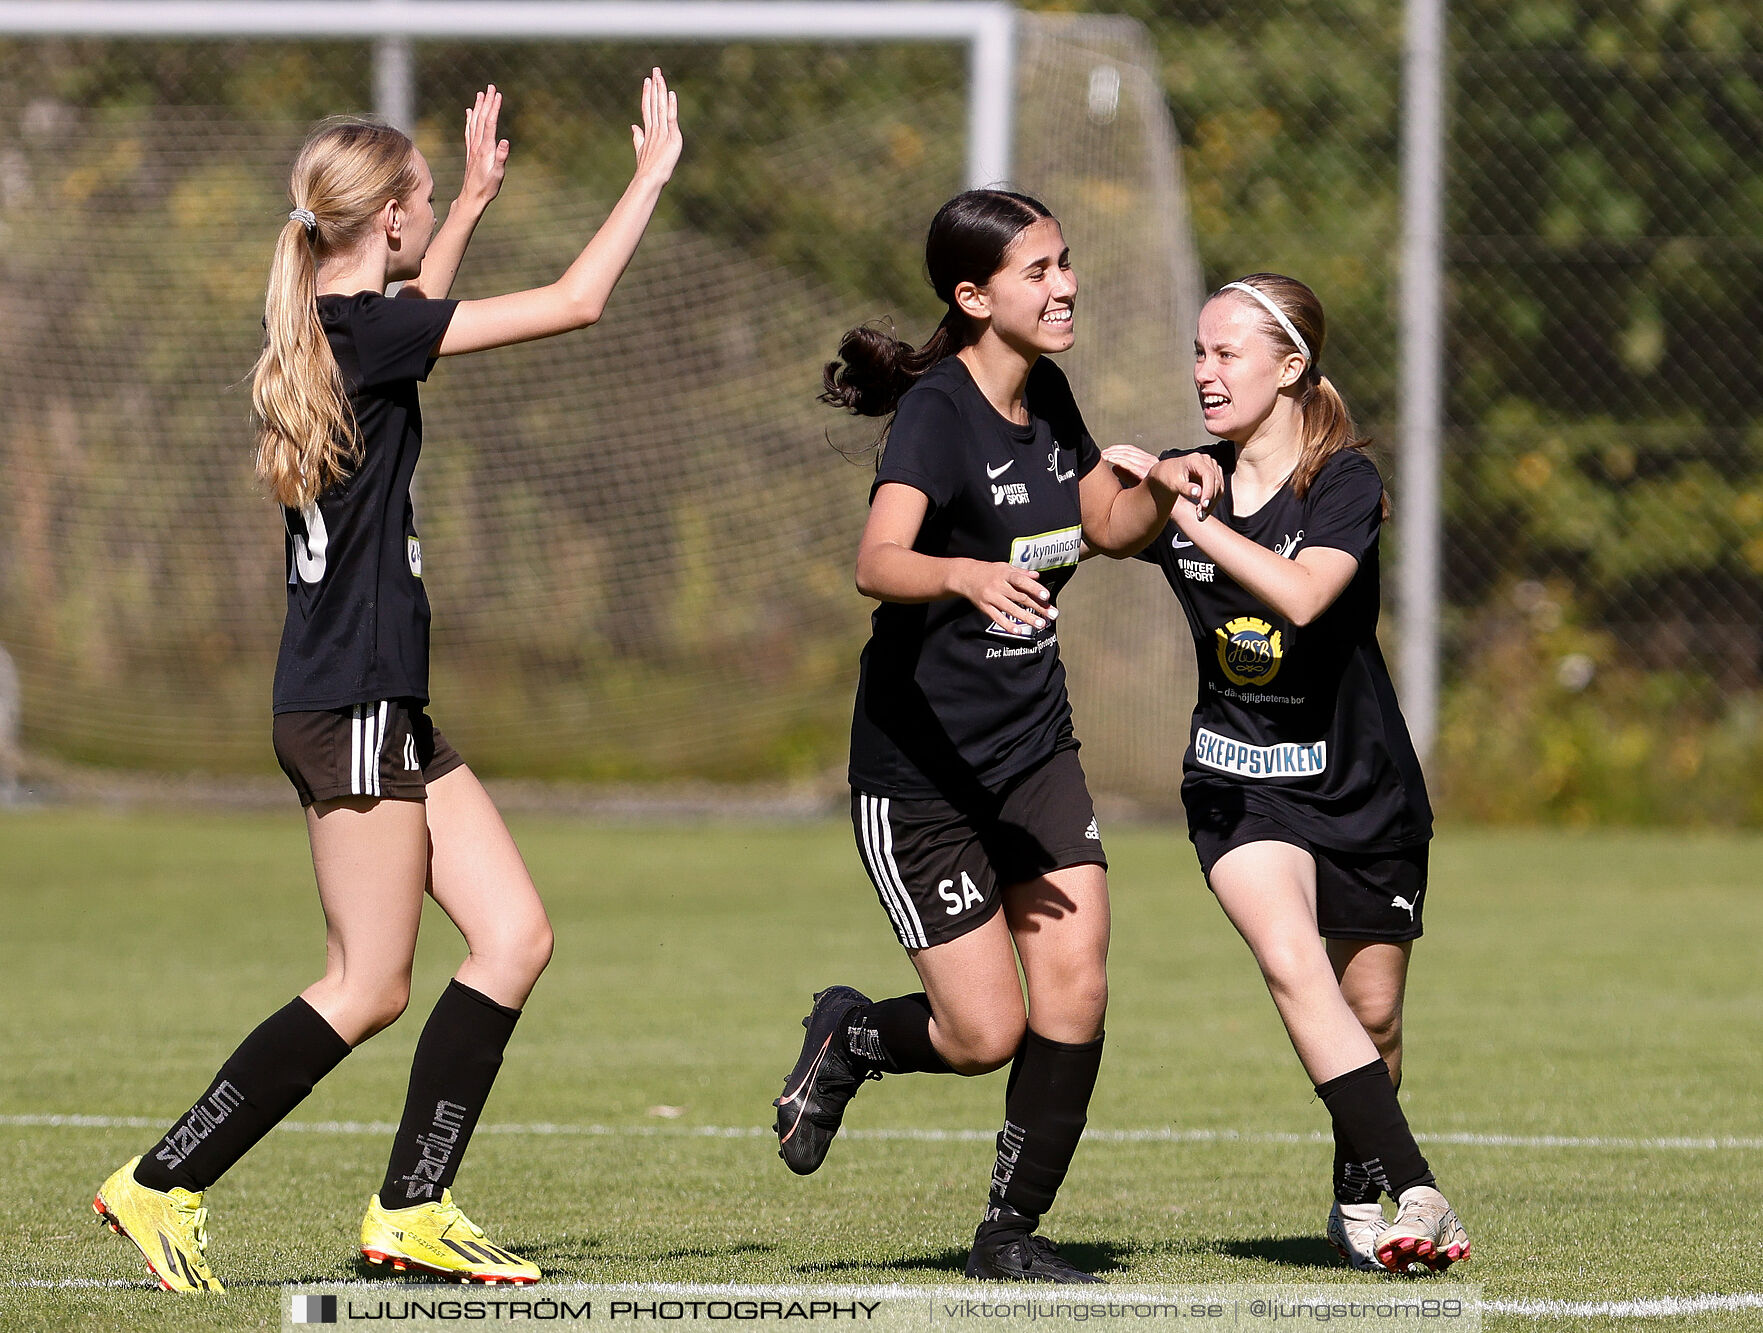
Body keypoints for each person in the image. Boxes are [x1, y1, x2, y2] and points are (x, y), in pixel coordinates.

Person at [93, 74, 683, 1292]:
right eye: (418, 202)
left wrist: (462, 199)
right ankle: (159, 1182)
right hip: (350, 699)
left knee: (514, 935)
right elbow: (574, 301)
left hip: (375, 698)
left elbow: (414, 304)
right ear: (387, 220)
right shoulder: (361, 331)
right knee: (366, 984)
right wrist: (647, 180)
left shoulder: (334, 320)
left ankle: (412, 1208)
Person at [777, 189, 1222, 1284]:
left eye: (1063, 262)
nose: (1063, 284)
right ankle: (851, 1036)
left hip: (1032, 750)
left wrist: (1159, 481)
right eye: (1037, 271)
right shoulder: (936, 410)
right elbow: (875, 561)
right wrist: (964, 572)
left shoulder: (1048, 393)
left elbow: (1103, 528)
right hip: (918, 769)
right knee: (981, 1035)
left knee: (1075, 983)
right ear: (973, 297)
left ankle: (1007, 1234)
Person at [1102, 273, 1470, 1274]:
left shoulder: (1342, 481)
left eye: (1226, 353)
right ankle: (1418, 1188)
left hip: (1360, 786)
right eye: (1197, 350)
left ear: (1289, 367)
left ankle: (1358, 1188)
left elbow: (1305, 596)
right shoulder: (1191, 478)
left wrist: (1194, 522)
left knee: (1374, 1014)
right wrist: (1138, 482)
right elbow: (1100, 526)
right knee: (1286, 956)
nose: (1202, 371)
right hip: (1235, 784)